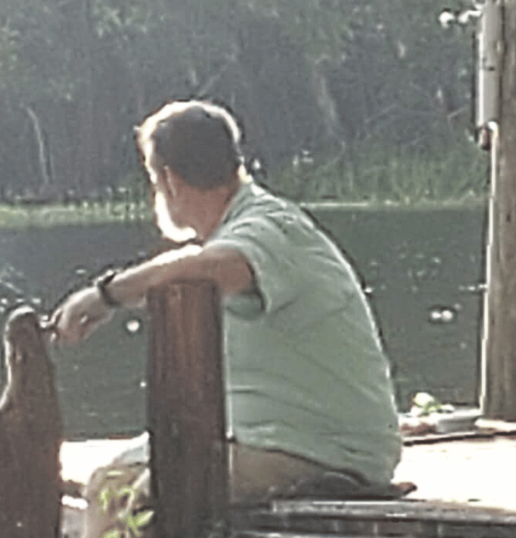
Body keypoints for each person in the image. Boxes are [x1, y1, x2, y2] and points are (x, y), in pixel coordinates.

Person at [49, 99, 402, 535]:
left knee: (157, 491)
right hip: (264, 437)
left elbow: (214, 267)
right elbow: (200, 260)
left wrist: (106, 295)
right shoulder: (244, 227)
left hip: (328, 449)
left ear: (168, 180)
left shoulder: (270, 225)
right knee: (110, 484)